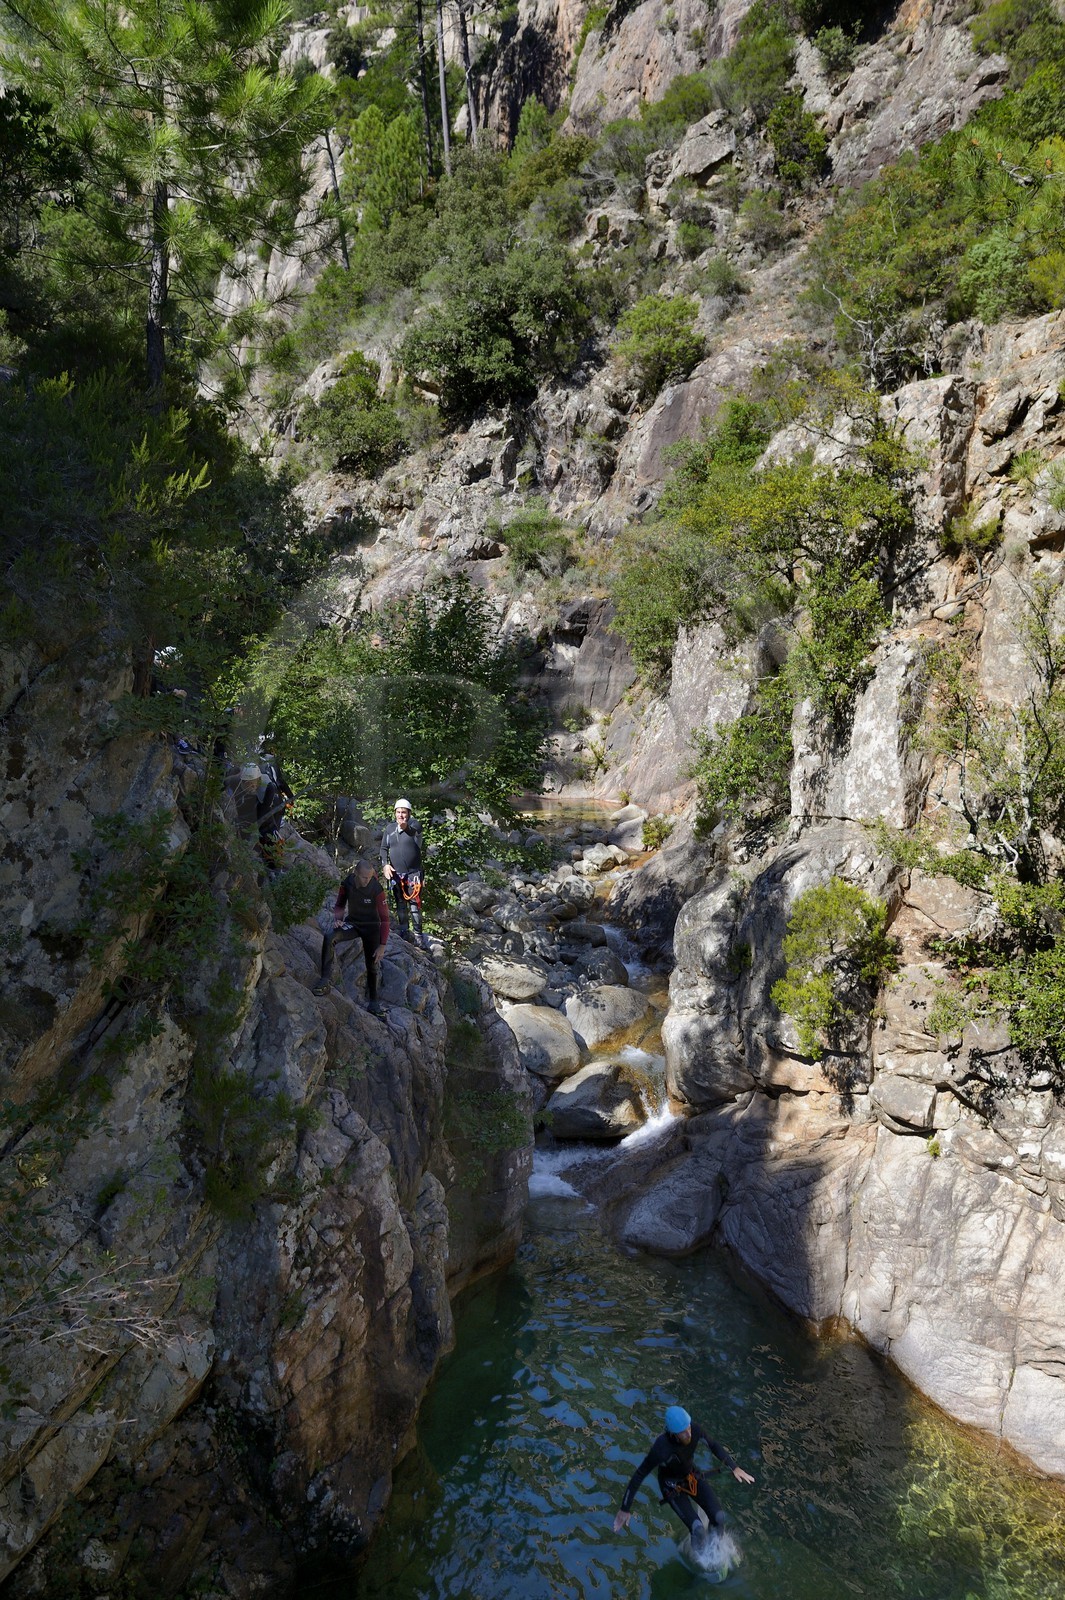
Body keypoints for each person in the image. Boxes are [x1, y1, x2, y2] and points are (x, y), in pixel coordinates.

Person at [613, 1406, 755, 1556]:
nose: (688, 1434)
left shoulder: (695, 1429)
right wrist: (625, 1508)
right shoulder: (661, 1448)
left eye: (688, 1429)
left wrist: (734, 1467)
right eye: (683, 1432)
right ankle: (701, 1559)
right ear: (673, 1433)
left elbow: (714, 1446)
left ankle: (716, 1548)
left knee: (718, 1517)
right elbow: (639, 1474)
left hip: (691, 1476)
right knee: (698, 1529)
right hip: (672, 1487)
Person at [314, 856, 390, 1012]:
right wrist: (338, 919)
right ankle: (324, 981)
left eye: (369, 877)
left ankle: (374, 1003)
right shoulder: (347, 883)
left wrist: (382, 945)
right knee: (330, 937)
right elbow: (340, 903)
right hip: (353, 923)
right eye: (363, 877)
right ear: (356, 873)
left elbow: (385, 919)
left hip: (372, 928)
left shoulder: (376, 889)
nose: (366, 881)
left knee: (372, 964)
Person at [381, 798, 427, 948]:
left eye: (404, 812)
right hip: (396, 873)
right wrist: (385, 864)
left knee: (414, 904)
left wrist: (404, 826)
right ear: (394, 813)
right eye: (398, 812)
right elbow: (383, 848)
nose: (401, 815)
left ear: (409, 814)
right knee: (400, 903)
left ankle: (418, 935)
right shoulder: (389, 829)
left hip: (413, 873)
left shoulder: (415, 826)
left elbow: (412, 832)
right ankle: (404, 930)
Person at [235, 762, 286, 867]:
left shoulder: (268, 787)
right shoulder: (242, 784)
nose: (250, 785)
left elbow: (263, 814)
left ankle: (274, 867)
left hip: (274, 809)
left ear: (258, 780)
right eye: (247, 783)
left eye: (252, 782)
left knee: (270, 836)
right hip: (260, 805)